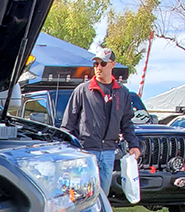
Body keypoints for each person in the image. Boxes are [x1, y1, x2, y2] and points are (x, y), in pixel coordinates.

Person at [60, 47, 141, 190]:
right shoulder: (83, 90)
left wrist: (133, 145)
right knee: (83, 193)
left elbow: (126, 122)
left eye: (102, 64)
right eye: (95, 64)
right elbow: (68, 123)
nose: (98, 67)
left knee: (103, 195)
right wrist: (67, 149)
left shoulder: (122, 93)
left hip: (109, 152)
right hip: (86, 151)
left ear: (113, 64)